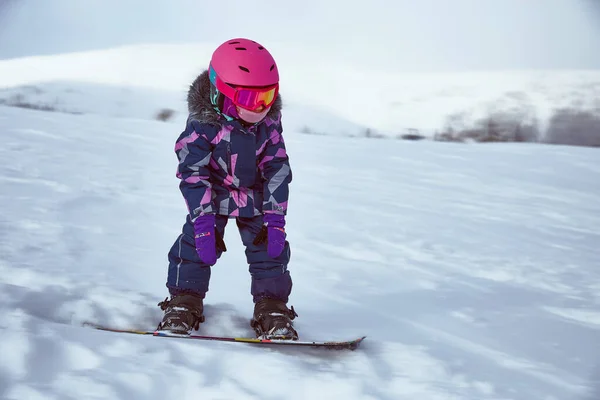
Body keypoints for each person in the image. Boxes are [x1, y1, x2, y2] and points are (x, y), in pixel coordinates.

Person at [156, 38, 298, 340]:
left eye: (268, 96)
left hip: (255, 197)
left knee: (270, 250)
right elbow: (193, 172)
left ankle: (272, 307)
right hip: (212, 196)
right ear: (222, 92)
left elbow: (277, 167)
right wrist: (204, 220)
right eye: (250, 98)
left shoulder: (268, 124)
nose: (261, 108)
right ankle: (184, 301)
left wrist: (276, 218)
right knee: (193, 246)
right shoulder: (202, 126)